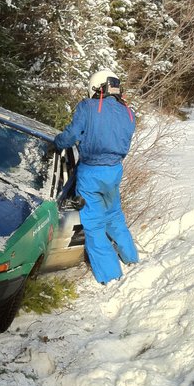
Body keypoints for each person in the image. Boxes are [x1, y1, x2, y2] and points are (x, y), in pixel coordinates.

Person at [54, 69, 139, 284]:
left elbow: (72, 135)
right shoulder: (129, 113)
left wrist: (57, 143)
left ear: (96, 87)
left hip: (91, 172)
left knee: (94, 225)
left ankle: (110, 276)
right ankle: (131, 257)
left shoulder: (88, 107)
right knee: (114, 215)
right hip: (115, 171)